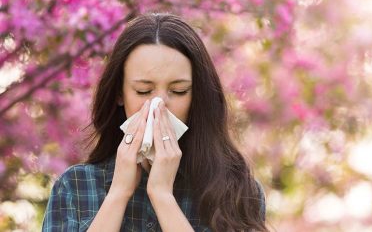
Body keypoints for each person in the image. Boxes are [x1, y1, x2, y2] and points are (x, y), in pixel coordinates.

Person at [42, 13, 267, 232]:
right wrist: (118, 193)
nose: (159, 105)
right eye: (144, 90)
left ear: (196, 95)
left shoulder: (236, 192)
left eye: (178, 91)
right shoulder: (75, 187)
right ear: (120, 93)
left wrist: (162, 196)